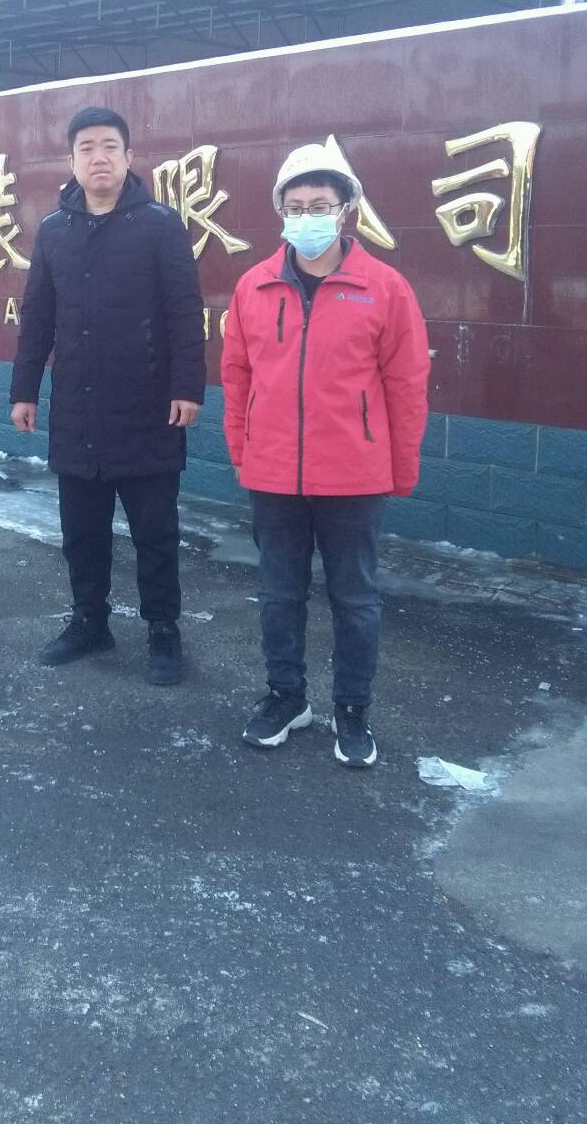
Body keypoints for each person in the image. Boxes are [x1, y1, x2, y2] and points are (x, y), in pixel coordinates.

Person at [221, 140, 429, 766]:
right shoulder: (254, 286)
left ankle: (352, 708)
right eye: (296, 206)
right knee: (279, 595)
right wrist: (243, 451)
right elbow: (237, 375)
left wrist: (401, 469)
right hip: (273, 474)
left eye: (320, 205)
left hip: (354, 476)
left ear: (346, 211)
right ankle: (286, 697)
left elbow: (407, 385)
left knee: (355, 600)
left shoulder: (384, 288)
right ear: (280, 212)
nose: (307, 216)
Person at [10, 106, 206, 685]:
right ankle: (89, 621)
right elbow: (37, 317)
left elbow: (184, 311)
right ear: (71, 160)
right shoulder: (54, 230)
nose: (99, 157)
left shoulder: (159, 225)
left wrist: (187, 387)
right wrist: (24, 391)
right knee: (81, 532)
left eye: (110, 146)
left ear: (128, 157)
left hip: (148, 407)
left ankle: (163, 630)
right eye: (87, 148)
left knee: (155, 534)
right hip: (77, 409)